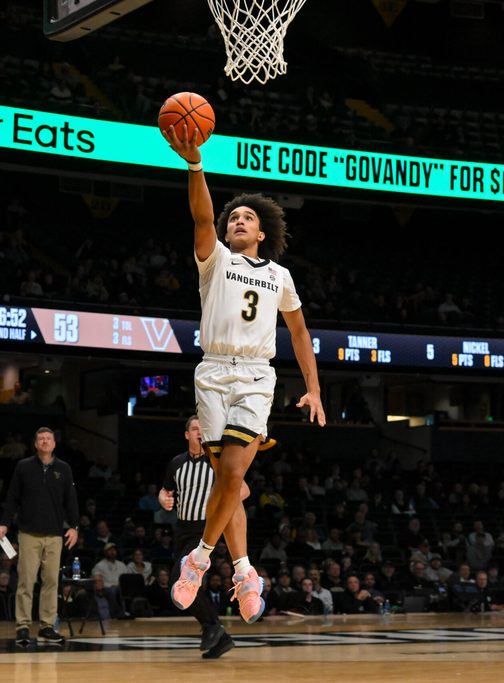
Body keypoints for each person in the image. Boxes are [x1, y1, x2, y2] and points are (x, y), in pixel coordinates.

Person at [161, 123, 326, 624]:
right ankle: (246, 570)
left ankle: (199, 559)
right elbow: (201, 214)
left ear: (262, 233)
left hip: (256, 375)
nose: (237, 220)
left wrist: (314, 388)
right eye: (234, 216)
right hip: (212, 372)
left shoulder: (280, 276)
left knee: (232, 474)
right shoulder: (214, 262)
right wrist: (195, 164)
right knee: (227, 482)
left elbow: (299, 333)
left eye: (247, 217)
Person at [158, 414, 242, 659]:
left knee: (179, 580)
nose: (199, 432)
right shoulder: (176, 463)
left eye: (202, 429)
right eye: (194, 428)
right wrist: (163, 499)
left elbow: (240, 488)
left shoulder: (216, 462)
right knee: (185, 586)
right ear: (187, 435)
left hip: (206, 530)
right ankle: (221, 637)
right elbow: (165, 491)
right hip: (182, 530)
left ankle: (212, 627)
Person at [0, 427, 79, 647]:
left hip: (54, 535)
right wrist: (4, 522)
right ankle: (23, 626)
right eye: (41, 438)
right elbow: (12, 497)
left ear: (54, 443)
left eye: (48, 438)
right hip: (28, 533)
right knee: (26, 581)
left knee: (51, 581)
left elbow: (71, 500)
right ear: (35, 444)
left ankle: (46, 626)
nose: (44, 441)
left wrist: (75, 526)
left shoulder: (64, 468)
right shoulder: (23, 467)